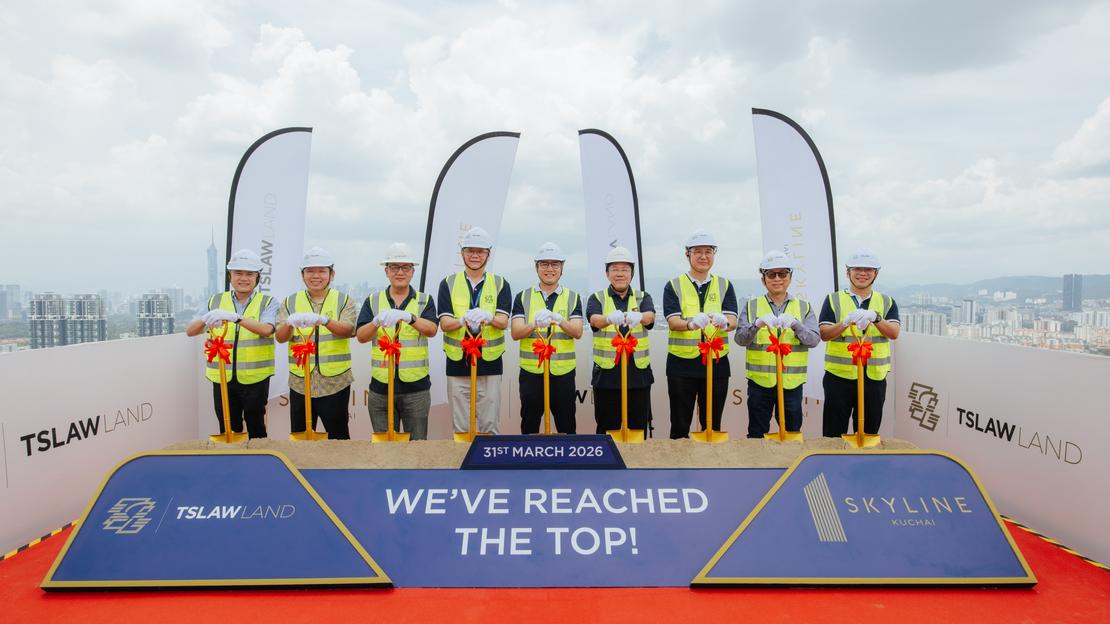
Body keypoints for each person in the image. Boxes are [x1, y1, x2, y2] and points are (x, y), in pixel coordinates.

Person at [186, 248, 277, 439]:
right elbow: (191, 331)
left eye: (249, 274)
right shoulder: (215, 301)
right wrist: (206, 318)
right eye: (238, 273)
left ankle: (258, 466)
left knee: (256, 428)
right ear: (230, 276)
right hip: (222, 377)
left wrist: (235, 317)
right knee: (227, 428)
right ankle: (232, 466)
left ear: (257, 277)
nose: (243, 278)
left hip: (255, 378)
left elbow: (267, 329)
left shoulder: (268, 302)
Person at [355, 243, 438, 440]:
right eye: (394, 267)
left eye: (405, 267)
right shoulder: (372, 301)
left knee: (417, 446)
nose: (400, 272)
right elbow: (361, 336)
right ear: (386, 271)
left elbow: (432, 330)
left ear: (412, 271)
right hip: (381, 387)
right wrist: (375, 322)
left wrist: (411, 317)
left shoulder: (424, 300)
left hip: (416, 387)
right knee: (383, 448)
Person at [733, 251, 820, 438]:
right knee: (756, 434)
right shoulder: (751, 306)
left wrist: (797, 325)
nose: (777, 279)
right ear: (763, 279)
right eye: (771, 274)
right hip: (760, 383)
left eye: (782, 274)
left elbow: (813, 340)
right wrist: (756, 324)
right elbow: (740, 339)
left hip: (791, 383)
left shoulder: (804, 307)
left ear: (790, 277)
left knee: (791, 434)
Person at [662, 230, 739, 438]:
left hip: (716, 363)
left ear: (714, 255)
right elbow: (672, 321)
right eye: (697, 252)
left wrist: (726, 323)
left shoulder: (724, 285)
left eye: (708, 252)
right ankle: (679, 466)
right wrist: (691, 324)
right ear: (687, 254)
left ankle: (711, 467)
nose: (703, 256)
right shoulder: (674, 285)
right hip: (682, 365)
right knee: (680, 424)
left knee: (712, 425)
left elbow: (732, 320)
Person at [437, 226, 512, 435]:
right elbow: (444, 324)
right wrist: (461, 321)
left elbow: (503, 321)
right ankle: (463, 462)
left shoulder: (500, 284)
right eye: (470, 251)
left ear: (488, 253)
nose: (475, 255)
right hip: (457, 362)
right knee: (461, 428)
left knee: (489, 426)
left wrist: (489, 317)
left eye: (480, 251)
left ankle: (489, 466)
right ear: (462, 253)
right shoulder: (448, 284)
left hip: (490, 363)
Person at [275, 246, 357, 439]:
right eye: (310, 271)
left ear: (332, 274)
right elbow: (280, 337)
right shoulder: (290, 302)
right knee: (301, 437)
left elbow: (349, 330)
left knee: (338, 438)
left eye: (322, 271)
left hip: (335, 381)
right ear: (302, 275)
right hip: (300, 383)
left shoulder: (344, 300)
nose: (316, 276)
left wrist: (325, 320)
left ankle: (339, 470)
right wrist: (289, 323)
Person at [818, 248, 901, 436]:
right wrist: (845, 323)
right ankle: (832, 465)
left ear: (876, 274)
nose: (863, 274)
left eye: (868, 270)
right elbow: (824, 334)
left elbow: (894, 333)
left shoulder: (887, 302)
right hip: (839, 377)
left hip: (874, 377)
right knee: (833, 432)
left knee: (868, 432)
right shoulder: (833, 300)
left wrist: (877, 318)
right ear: (848, 272)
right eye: (857, 269)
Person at [510, 242, 583, 434]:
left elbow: (577, 332)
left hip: (563, 372)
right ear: (536, 267)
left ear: (562, 268)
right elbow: (516, 333)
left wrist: (559, 320)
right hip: (531, 371)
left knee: (566, 425)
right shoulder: (522, 297)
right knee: (530, 425)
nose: (549, 269)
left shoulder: (573, 297)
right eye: (544, 264)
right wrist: (533, 324)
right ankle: (529, 462)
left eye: (555, 264)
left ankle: (566, 463)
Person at [587, 246, 655, 435]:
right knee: (606, 426)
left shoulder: (642, 297)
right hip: (607, 375)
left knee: (638, 427)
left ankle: (636, 463)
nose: (619, 274)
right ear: (607, 273)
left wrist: (640, 316)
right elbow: (594, 319)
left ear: (631, 273)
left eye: (624, 269)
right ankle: (607, 464)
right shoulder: (597, 298)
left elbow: (650, 317)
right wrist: (608, 318)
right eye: (615, 269)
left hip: (638, 374)